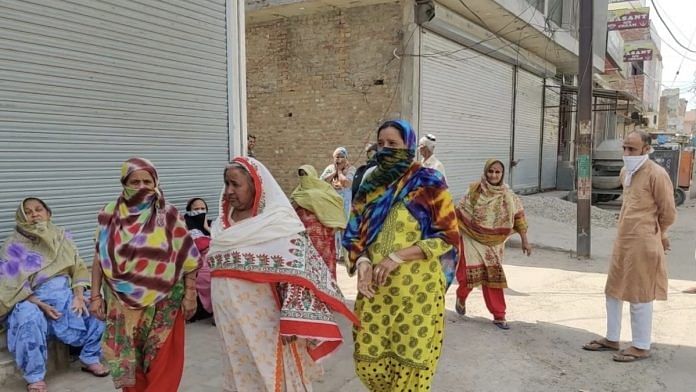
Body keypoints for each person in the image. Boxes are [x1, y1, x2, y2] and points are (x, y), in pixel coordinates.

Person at [207, 157, 359, 391]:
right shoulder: (221, 226)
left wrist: (293, 322)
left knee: (273, 376)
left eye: (235, 184)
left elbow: (299, 273)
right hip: (230, 323)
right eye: (226, 183)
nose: (228, 191)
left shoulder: (277, 225)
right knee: (240, 374)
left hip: (268, 323)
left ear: (255, 185)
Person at [342, 120, 461, 391]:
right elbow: (353, 232)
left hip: (417, 291)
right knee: (369, 362)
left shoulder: (429, 182)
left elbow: (448, 235)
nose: (385, 150)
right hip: (375, 290)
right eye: (381, 144)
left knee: (409, 364)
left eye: (393, 144)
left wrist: (397, 257)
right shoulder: (370, 182)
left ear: (409, 146)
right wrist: (361, 262)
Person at [90, 157, 201, 391]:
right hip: (121, 304)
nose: (141, 187)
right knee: (130, 364)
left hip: (165, 303)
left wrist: (191, 294)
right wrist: (95, 297)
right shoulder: (109, 214)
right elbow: (99, 257)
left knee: (163, 364)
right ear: (124, 183)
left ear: (156, 183)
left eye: (147, 181)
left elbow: (188, 258)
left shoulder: (168, 214)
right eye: (135, 181)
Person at [582, 131, 677, 362]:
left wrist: (659, 233)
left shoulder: (657, 173)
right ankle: (612, 338)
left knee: (640, 293)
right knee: (613, 290)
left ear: (646, 149)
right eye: (624, 148)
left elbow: (668, 212)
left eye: (632, 149)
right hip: (623, 240)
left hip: (644, 242)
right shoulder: (626, 171)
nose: (626, 153)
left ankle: (641, 346)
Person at [0, 198, 109, 392]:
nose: (34, 214)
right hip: (30, 298)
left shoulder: (61, 237)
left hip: (63, 294)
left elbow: (78, 268)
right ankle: (34, 376)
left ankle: (89, 357)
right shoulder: (13, 245)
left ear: (48, 213)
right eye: (28, 212)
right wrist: (40, 303)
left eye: (38, 210)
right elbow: (9, 284)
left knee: (95, 306)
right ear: (21, 217)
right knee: (28, 317)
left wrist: (77, 294)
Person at [453, 159, 531, 329]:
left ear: (502, 174)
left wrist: (525, 240)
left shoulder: (509, 196)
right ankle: (461, 296)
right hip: (471, 238)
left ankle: (499, 315)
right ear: (485, 171)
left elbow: (519, 217)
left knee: (492, 277)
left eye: (497, 172)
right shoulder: (474, 191)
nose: (494, 175)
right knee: (468, 277)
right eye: (491, 171)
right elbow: (459, 213)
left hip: (494, 243)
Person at [290, 165, 347, 278]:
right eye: (301, 175)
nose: (303, 178)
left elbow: (336, 205)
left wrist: (333, 227)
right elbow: (290, 210)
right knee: (307, 270)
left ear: (312, 175)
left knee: (323, 267)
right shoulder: (298, 193)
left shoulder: (324, 190)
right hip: (304, 238)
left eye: (305, 174)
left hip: (323, 237)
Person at [184, 197, 214, 321]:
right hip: (197, 263)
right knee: (205, 277)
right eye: (196, 209)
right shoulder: (185, 225)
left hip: (215, 260)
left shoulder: (212, 224)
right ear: (189, 211)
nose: (200, 211)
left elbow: (223, 241)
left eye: (203, 209)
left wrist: (207, 228)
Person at [321, 147, 356, 218]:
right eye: (337, 157)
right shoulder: (330, 168)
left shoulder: (351, 169)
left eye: (342, 157)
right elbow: (322, 183)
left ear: (346, 159)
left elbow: (346, 183)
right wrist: (335, 172)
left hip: (344, 205)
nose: (339, 159)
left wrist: (339, 172)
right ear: (334, 158)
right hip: (330, 204)